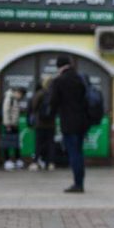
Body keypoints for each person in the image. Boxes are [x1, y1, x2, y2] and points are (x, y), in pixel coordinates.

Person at [49, 55, 89, 193]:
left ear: (59, 66)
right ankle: (80, 181)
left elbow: (53, 102)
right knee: (79, 152)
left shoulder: (59, 81)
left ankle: (78, 184)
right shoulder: (80, 78)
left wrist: (50, 115)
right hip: (82, 122)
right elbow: (85, 100)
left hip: (68, 123)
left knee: (73, 153)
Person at [30, 78, 56, 171]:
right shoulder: (54, 94)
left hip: (40, 123)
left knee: (38, 143)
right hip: (51, 124)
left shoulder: (40, 93)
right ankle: (50, 164)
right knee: (50, 144)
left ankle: (36, 162)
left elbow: (33, 106)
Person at [1, 87, 25, 170]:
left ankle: (17, 160)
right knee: (7, 143)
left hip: (14, 125)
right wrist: (7, 124)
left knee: (15, 143)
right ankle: (7, 161)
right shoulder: (9, 98)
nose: (20, 97)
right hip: (9, 125)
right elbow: (6, 111)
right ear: (18, 92)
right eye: (21, 95)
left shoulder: (14, 99)